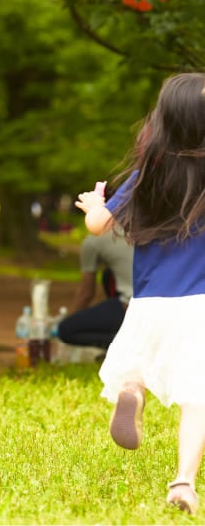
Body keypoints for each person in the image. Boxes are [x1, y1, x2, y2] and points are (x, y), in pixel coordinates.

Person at [75, 72, 205, 514]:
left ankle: (132, 391)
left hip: (149, 303)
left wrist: (95, 205)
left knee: (137, 369)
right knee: (198, 398)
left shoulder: (149, 173)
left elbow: (98, 225)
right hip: (199, 305)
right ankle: (183, 481)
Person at [56, 229, 133, 350]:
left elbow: (86, 294)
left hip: (130, 307)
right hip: (161, 304)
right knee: (107, 275)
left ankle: (121, 342)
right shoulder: (143, 229)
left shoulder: (93, 241)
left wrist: (75, 319)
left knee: (65, 329)